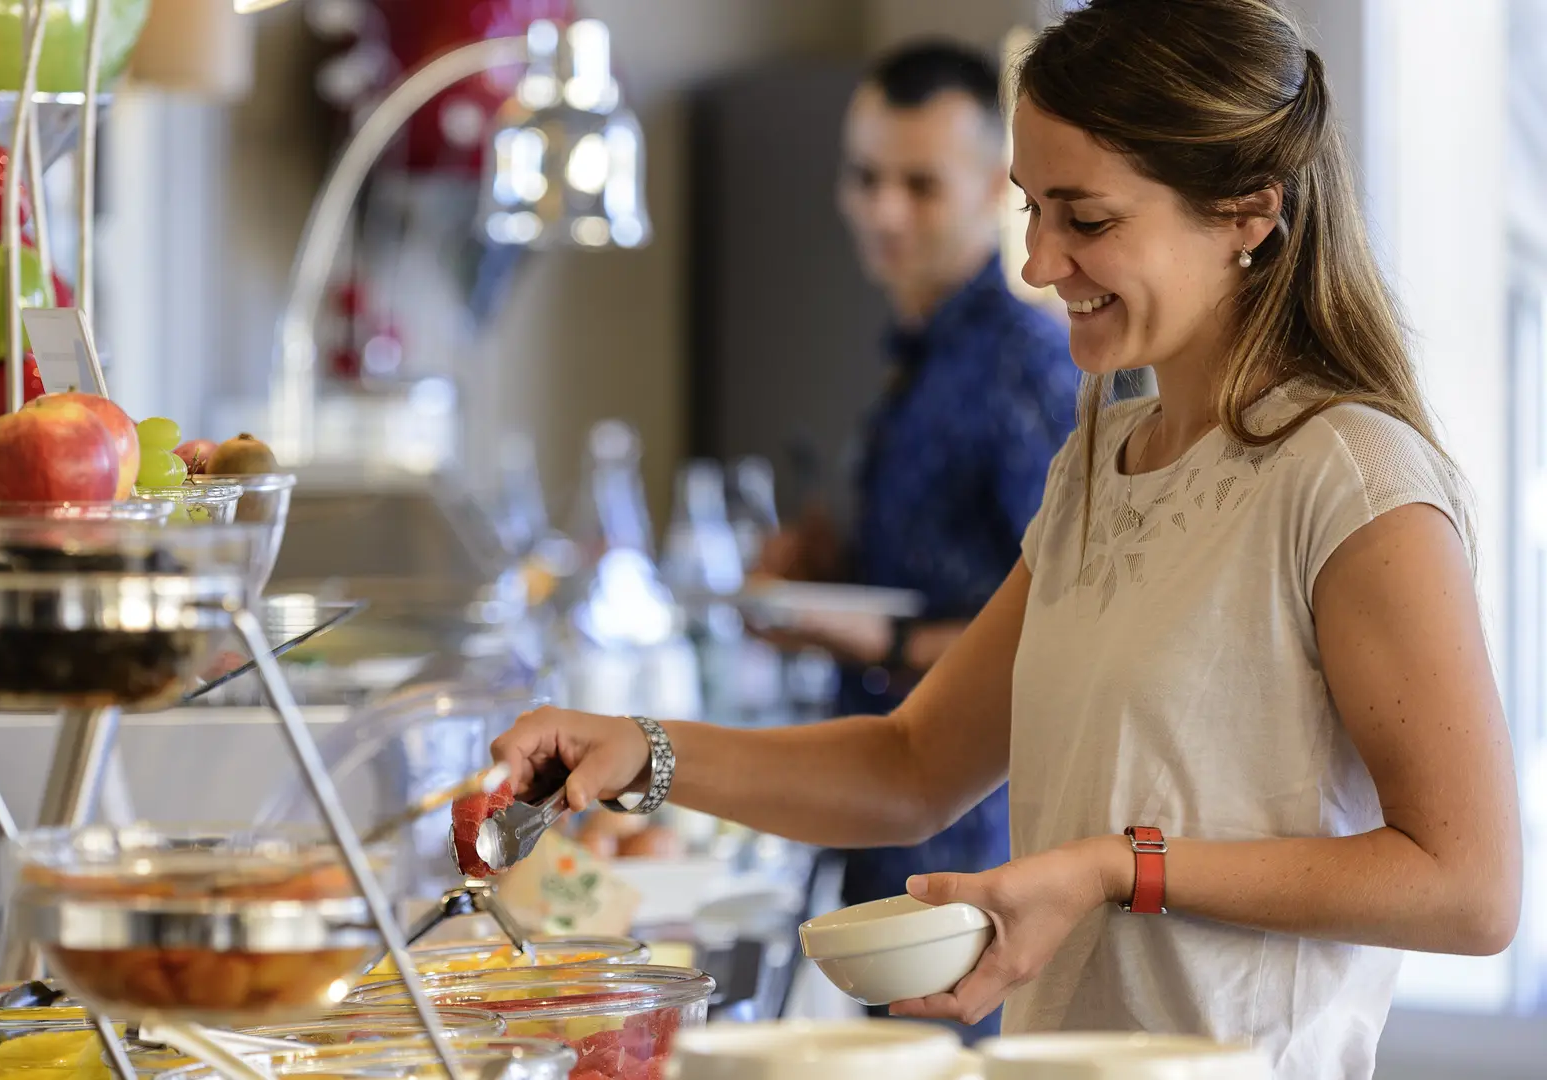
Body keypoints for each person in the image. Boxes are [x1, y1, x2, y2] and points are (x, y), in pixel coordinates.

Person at [492, 1, 1523, 1076]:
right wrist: (642, 751)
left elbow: (1469, 887)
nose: (1037, 262)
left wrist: (1120, 868)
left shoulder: (1349, 476)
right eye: (1033, 209)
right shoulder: (1101, 460)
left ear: (1247, 214)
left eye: (1086, 218)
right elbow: (914, 762)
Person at [754, 41, 1079, 1039]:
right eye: (866, 178)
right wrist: (833, 571)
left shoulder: (1023, 372)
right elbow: (950, 571)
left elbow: (1069, 623)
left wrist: (881, 645)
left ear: (993, 189)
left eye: (919, 185)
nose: (884, 210)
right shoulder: (914, 354)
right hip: (886, 815)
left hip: (972, 832)